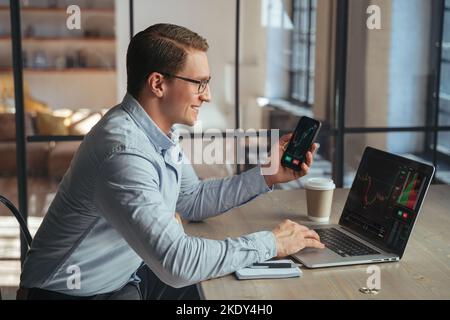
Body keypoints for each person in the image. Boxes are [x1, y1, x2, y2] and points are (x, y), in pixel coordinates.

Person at [18, 23, 324, 300]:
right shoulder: (124, 152)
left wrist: (269, 173)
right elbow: (178, 262)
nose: (207, 96)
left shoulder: (155, 133)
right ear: (157, 84)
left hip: (124, 277)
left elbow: (191, 199)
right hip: (72, 295)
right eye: (199, 83)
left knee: (232, 285)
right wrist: (272, 243)